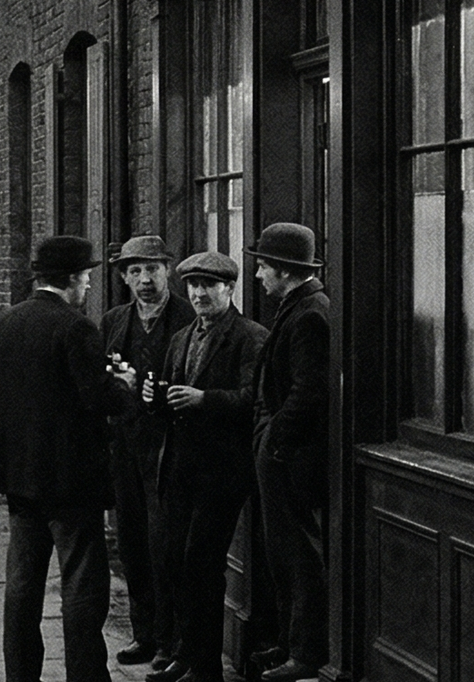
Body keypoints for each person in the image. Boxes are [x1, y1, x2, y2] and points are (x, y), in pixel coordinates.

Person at [0, 235, 133, 682]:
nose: (88, 286)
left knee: (22, 588)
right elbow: (95, 396)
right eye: (86, 277)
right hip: (73, 479)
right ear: (72, 279)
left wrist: (10, 427)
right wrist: (125, 386)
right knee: (81, 586)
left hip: (20, 479)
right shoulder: (75, 327)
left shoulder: (3, 323)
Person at [144, 252, 267, 682]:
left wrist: (205, 400)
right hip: (178, 468)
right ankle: (186, 654)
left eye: (209, 286)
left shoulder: (249, 337)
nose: (198, 294)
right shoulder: (181, 338)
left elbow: (256, 399)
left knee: (202, 565)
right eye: (193, 286)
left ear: (230, 289)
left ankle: (206, 667)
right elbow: (167, 397)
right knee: (176, 562)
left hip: (222, 472)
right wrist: (153, 397)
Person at [100, 235, 195, 665]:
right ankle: (145, 634)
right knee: (132, 543)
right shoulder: (115, 320)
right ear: (123, 277)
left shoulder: (189, 316)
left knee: (166, 545)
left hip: (172, 447)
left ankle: (173, 641)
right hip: (126, 446)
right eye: (135, 271)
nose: (145, 280)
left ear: (168, 271)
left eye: (152, 269)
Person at [247, 223, 331, 682]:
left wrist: (274, 441)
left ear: (282, 270)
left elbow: (309, 391)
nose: (258, 275)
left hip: (291, 458)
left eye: (262, 266)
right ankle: (288, 642)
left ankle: (306, 654)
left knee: (300, 556)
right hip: (281, 451)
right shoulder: (297, 307)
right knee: (282, 552)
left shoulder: (310, 314)